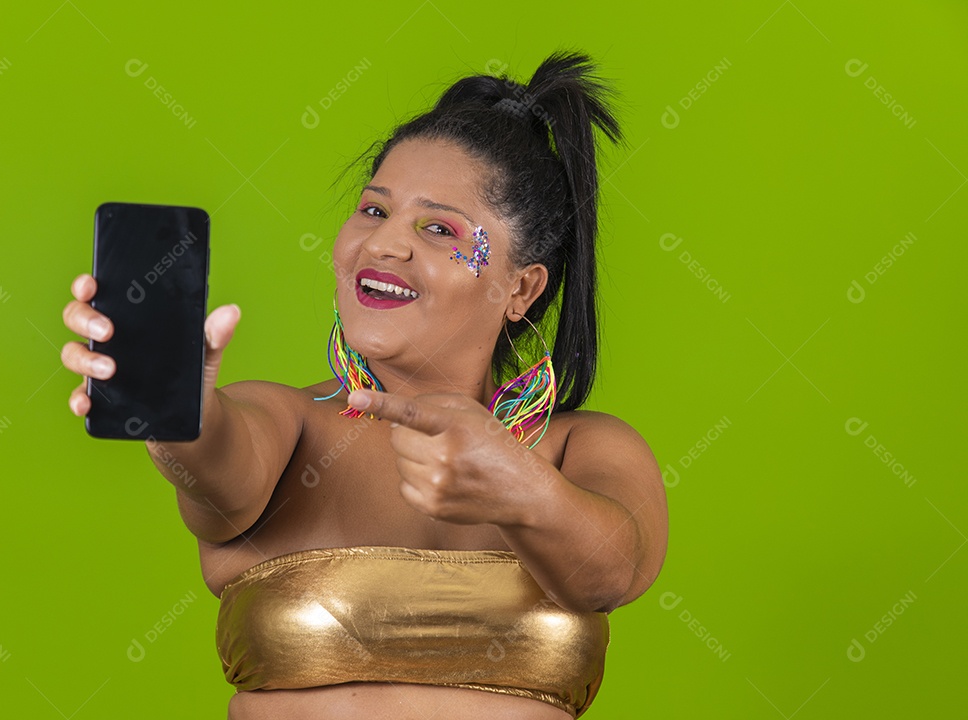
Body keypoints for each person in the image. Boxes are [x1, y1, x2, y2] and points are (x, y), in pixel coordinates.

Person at [60, 50, 668, 719]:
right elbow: (217, 467)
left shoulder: (584, 449)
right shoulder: (290, 422)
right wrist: (175, 403)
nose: (384, 245)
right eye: (374, 211)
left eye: (438, 228)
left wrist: (516, 482)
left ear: (520, 287)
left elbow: (610, 574)